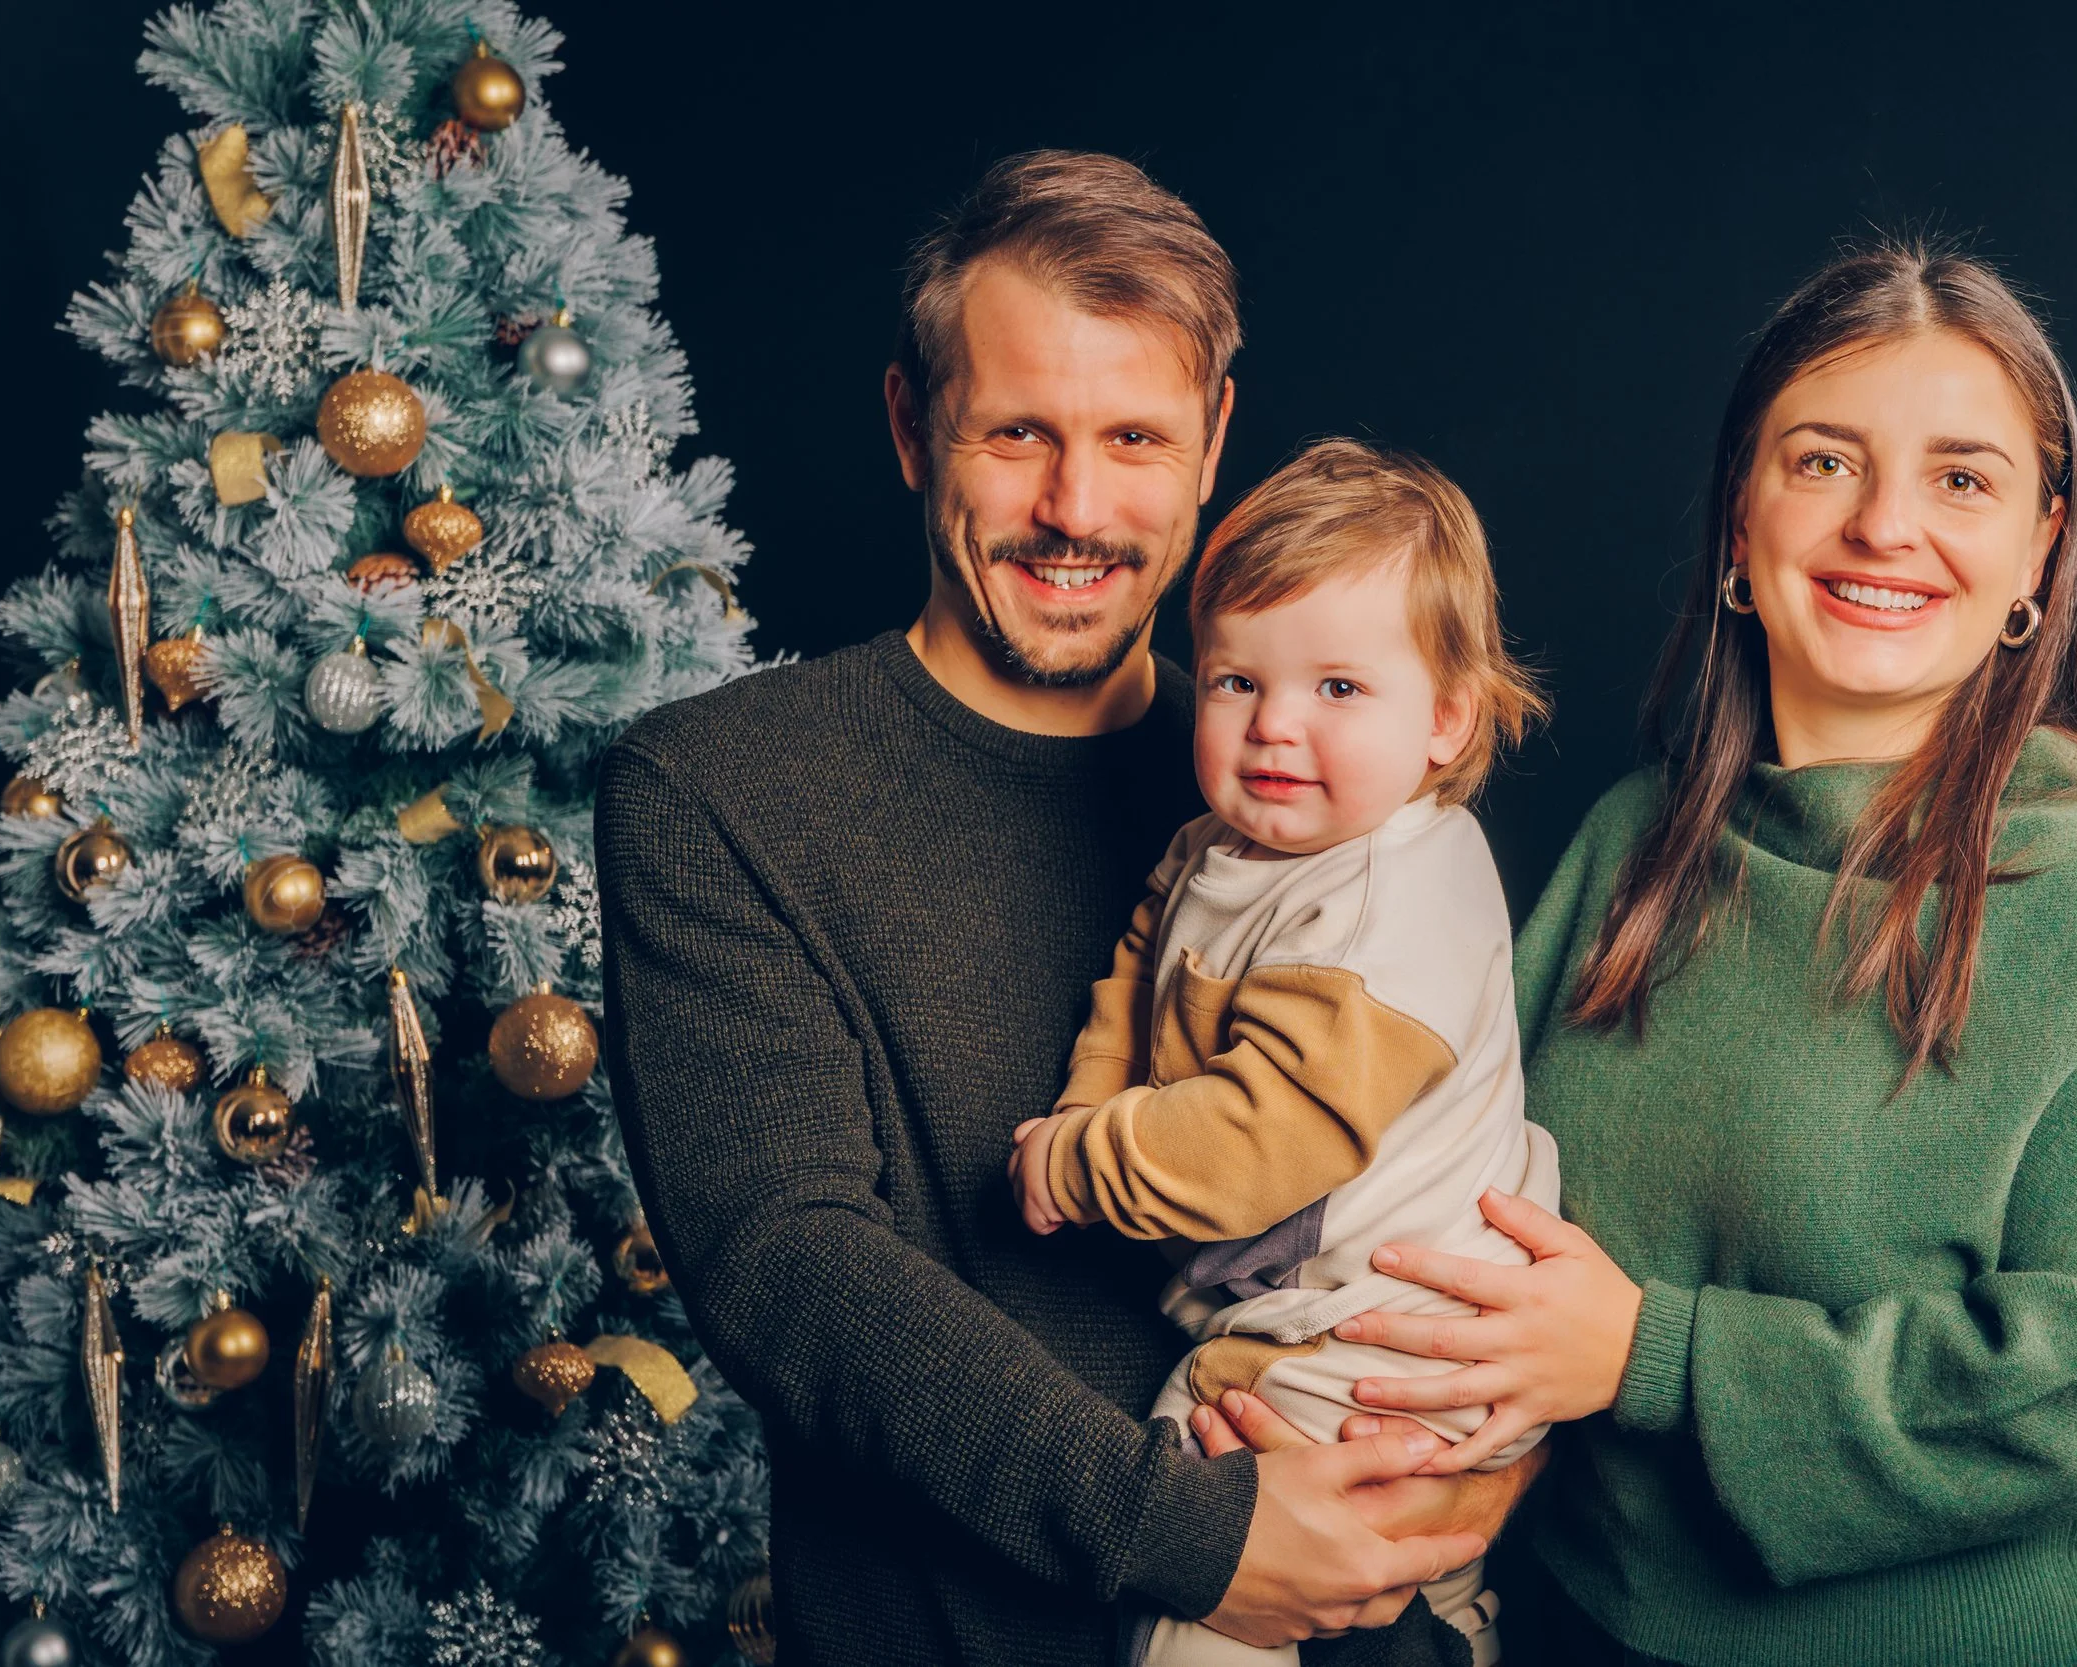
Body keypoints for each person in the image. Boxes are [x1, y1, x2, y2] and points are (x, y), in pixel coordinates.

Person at [596, 151, 1530, 1667]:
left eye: (1134, 437)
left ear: (1215, 438)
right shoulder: (715, 795)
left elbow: (1471, 1158)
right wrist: (1196, 1532)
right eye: (1016, 432)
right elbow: (792, 1268)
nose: (1074, 506)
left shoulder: (1326, 781)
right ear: (913, 428)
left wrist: (1513, 1424)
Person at [1320, 239, 2077, 1666]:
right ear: (1741, 522)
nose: (1886, 523)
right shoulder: (1636, 842)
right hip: (1568, 1628)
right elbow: (1450, 1191)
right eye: (1824, 461)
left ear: (2039, 550)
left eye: (1962, 477)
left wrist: (1654, 1353)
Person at [1007, 440, 1558, 1666]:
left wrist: (1075, 1163)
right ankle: (1446, 1614)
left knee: (1200, 1543)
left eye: (1339, 690)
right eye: (1234, 682)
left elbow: (1258, 1143)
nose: (1275, 728)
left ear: (1446, 717)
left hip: (1384, 1338)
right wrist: (1087, 1101)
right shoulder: (1229, 840)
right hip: (1315, 1309)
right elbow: (1140, 964)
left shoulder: (1393, 903)